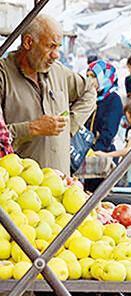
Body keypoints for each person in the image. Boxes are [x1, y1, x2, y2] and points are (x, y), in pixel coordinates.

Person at [0, 14, 96, 175]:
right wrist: (32, 128)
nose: (56, 54)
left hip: (61, 186)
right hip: (19, 191)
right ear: (28, 42)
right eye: (51, 46)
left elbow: (89, 91)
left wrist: (69, 127)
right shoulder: (3, 75)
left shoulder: (58, 71)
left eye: (58, 47)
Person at [84, 59, 124, 191]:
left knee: (95, 197)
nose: (90, 80)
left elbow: (109, 131)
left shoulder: (113, 100)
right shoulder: (90, 97)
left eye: (94, 76)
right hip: (85, 154)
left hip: (102, 154)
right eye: (88, 75)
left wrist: (95, 152)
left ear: (104, 78)